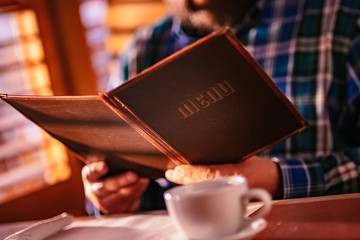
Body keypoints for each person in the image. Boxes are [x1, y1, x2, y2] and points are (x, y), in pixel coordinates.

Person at [82, 0, 360, 214]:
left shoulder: (343, 19)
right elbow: (138, 192)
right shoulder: (142, 50)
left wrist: (281, 180)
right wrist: (115, 197)